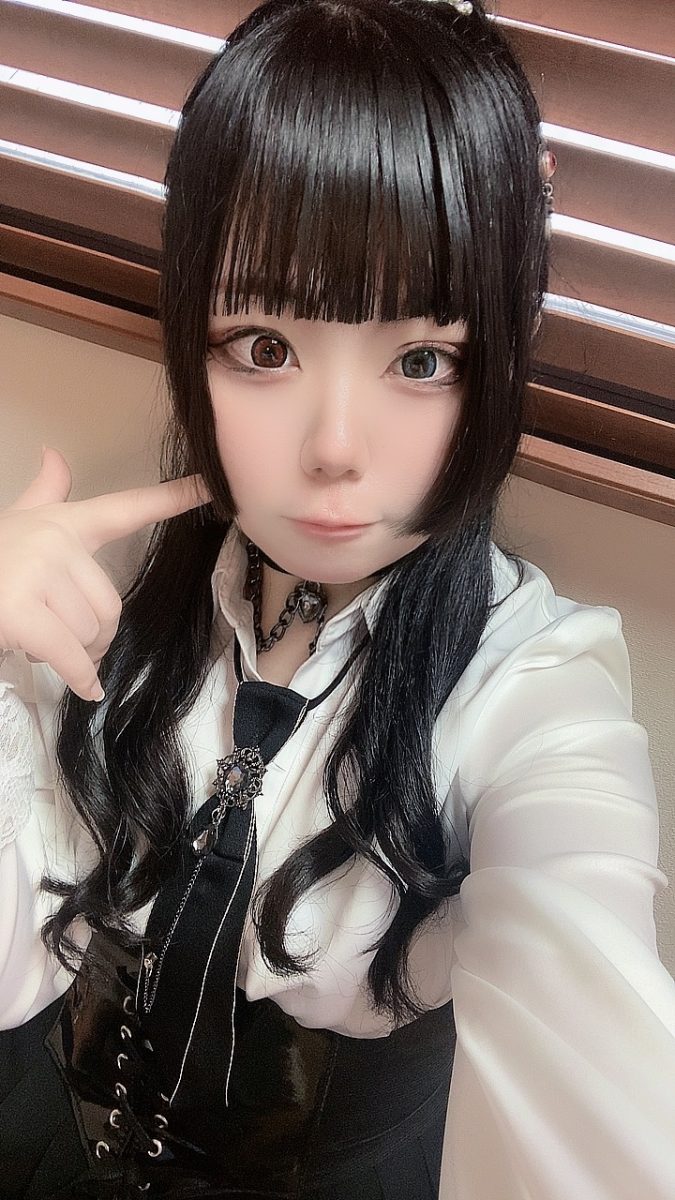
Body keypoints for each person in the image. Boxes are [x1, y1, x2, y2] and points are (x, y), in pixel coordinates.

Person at [1, 0, 674, 1196]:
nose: (335, 450)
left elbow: (590, 1040)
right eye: (264, 346)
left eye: (423, 359)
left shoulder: (530, 695)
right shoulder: (108, 602)